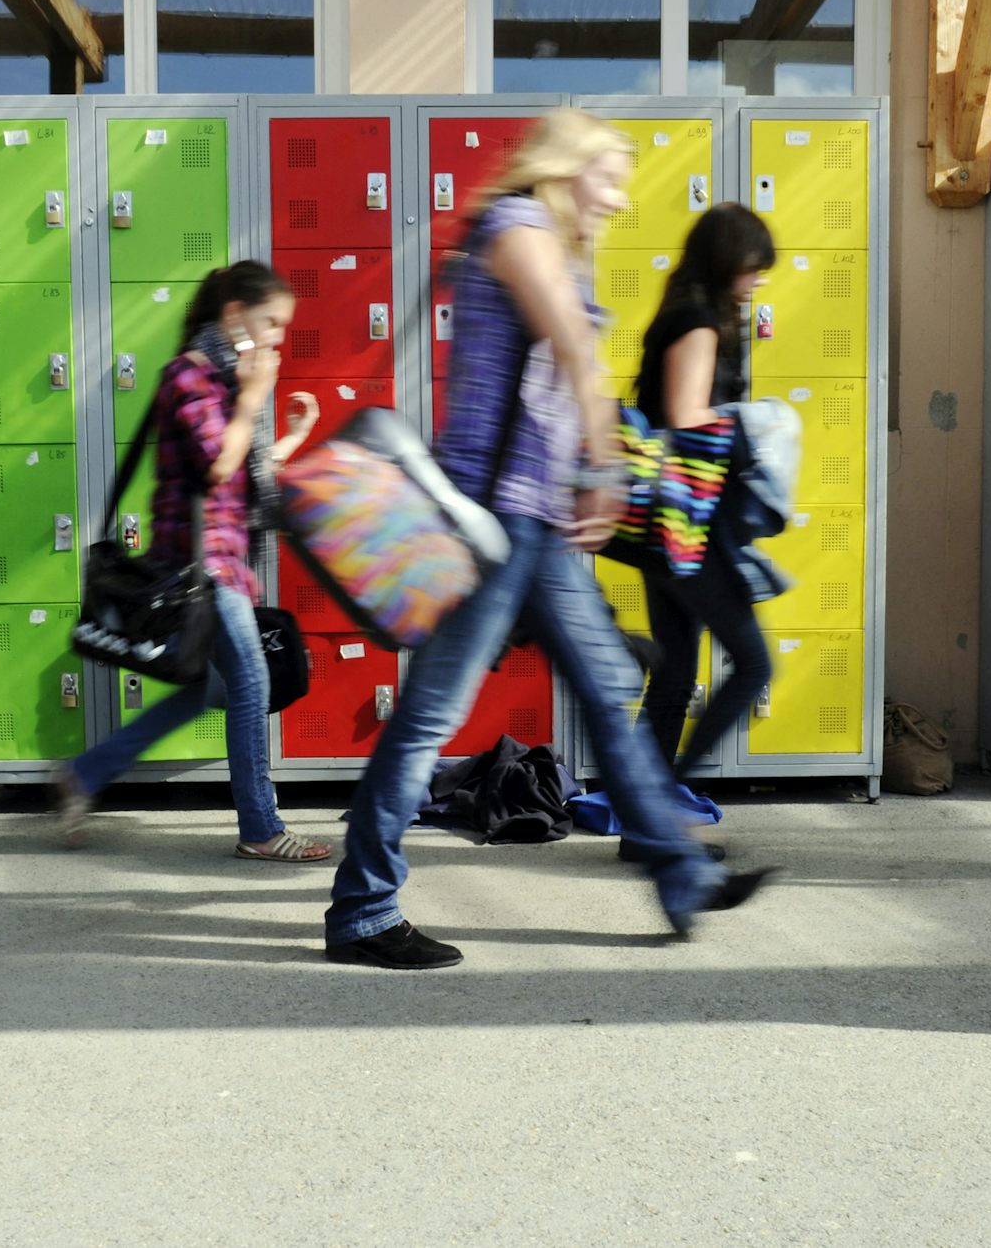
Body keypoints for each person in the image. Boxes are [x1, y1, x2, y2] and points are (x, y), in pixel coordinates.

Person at [324, 110, 776, 970]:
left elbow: (558, 384)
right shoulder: (518, 224)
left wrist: (584, 471)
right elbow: (571, 343)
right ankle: (362, 909)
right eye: (607, 175)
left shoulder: (551, 241)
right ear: (564, 170)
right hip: (494, 523)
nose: (616, 196)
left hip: (536, 522)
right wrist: (606, 465)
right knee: (427, 717)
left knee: (610, 693)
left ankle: (679, 876)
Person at [56, 261, 332, 864]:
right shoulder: (189, 375)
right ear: (234, 314)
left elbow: (246, 476)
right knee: (251, 683)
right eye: (271, 323)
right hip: (200, 568)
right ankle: (261, 829)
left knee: (209, 689)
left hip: (228, 562)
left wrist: (291, 436)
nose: (278, 338)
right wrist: (255, 401)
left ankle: (85, 773)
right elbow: (216, 464)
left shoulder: (231, 383)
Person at [634, 204, 784, 792]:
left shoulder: (681, 313)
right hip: (687, 523)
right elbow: (685, 420)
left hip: (665, 523)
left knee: (674, 678)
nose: (759, 280)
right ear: (729, 263)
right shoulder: (697, 324)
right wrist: (760, 426)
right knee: (753, 666)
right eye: (753, 268)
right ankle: (665, 811)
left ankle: (645, 824)